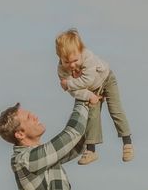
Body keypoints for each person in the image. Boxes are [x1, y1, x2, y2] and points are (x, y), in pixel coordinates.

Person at [54, 29, 133, 165]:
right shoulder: (61, 70)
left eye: (75, 60)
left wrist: (68, 84)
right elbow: (74, 92)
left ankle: (127, 142)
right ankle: (91, 150)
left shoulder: (88, 56)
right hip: (91, 90)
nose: (72, 65)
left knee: (115, 109)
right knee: (92, 115)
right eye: (66, 62)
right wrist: (89, 95)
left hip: (106, 80)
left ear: (81, 51)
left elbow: (86, 80)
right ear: (59, 57)